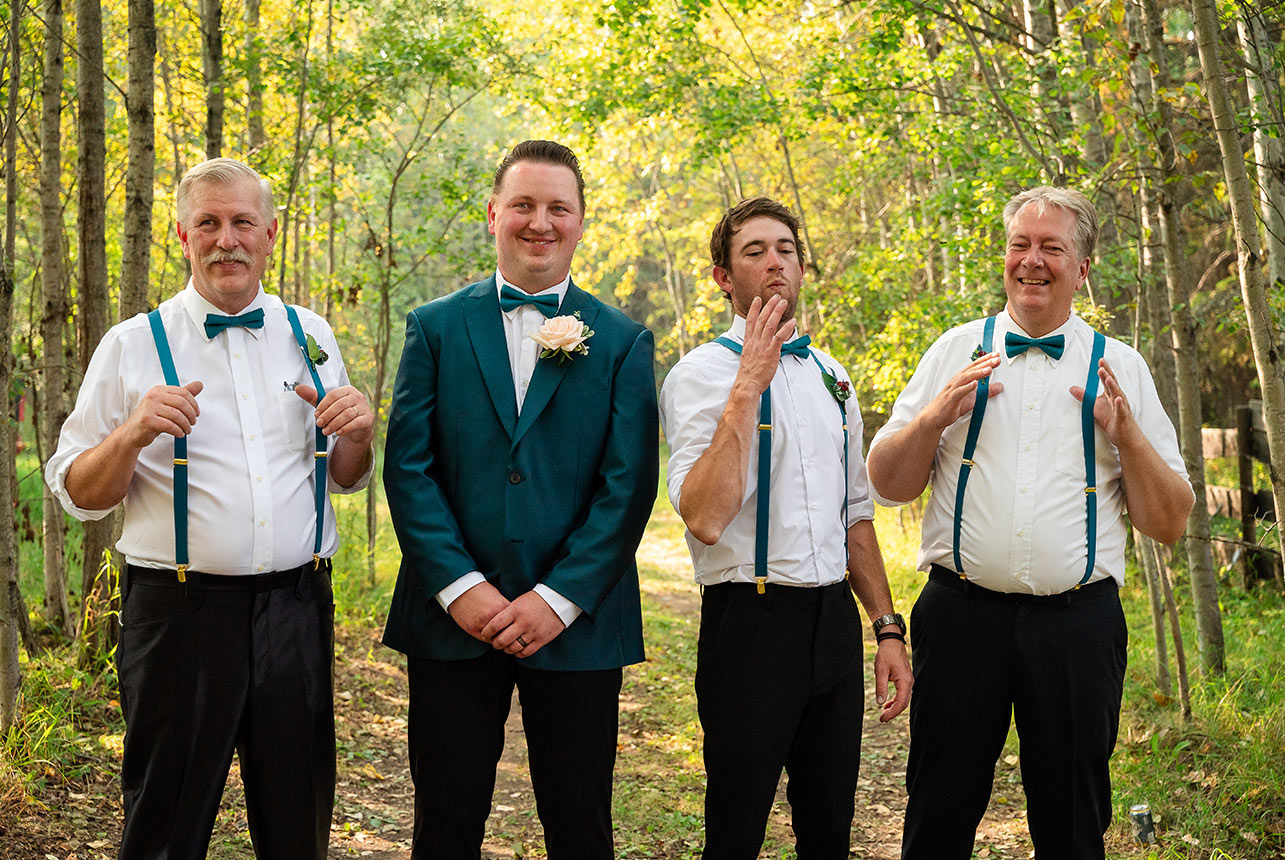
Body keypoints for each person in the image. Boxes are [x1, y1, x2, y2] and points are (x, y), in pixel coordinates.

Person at [45, 157, 375, 859]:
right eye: (209, 223)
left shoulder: (310, 335)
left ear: (270, 234)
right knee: (165, 823)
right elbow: (77, 491)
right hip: (179, 615)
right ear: (182, 235)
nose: (227, 239)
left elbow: (347, 475)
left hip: (298, 607)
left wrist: (359, 433)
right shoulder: (133, 344)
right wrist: (133, 432)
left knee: (298, 820)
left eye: (242, 223)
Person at [866, 186, 1194, 860]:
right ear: (1003, 257)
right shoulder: (952, 350)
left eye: (1052, 248)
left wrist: (1127, 437)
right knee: (937, 813)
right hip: (959, 620)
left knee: (1072, 821)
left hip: (1078, 626)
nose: (1032, 261)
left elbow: (1167, 523)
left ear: (1080, 269)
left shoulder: (1120, 366)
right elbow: (887, 486)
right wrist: (933, 418)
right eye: (1020, 245)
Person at [381, 139, 658, 860]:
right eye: (524, 205)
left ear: (580, 220)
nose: (540, 222)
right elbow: (409, 469)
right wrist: (460, 588)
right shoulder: (434, 327)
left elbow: (627, 486)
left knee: (578, 824)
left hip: (577, 626)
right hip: (451, 622)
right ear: (494, 212)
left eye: (557, 207)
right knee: (444, 821)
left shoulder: (623, 340)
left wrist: (558, 597)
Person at [658, 197, 913, 860]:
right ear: (723, 277)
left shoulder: (833, 376)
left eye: (785, 249)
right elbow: (705, 517)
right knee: (736, 827)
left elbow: (856, 513)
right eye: (754, 251)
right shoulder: (697, 375)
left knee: (828, 828)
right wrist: (747, 384)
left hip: (831, 623)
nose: (774, 261)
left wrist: (885, 628)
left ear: (801, 267)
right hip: (749, 622)